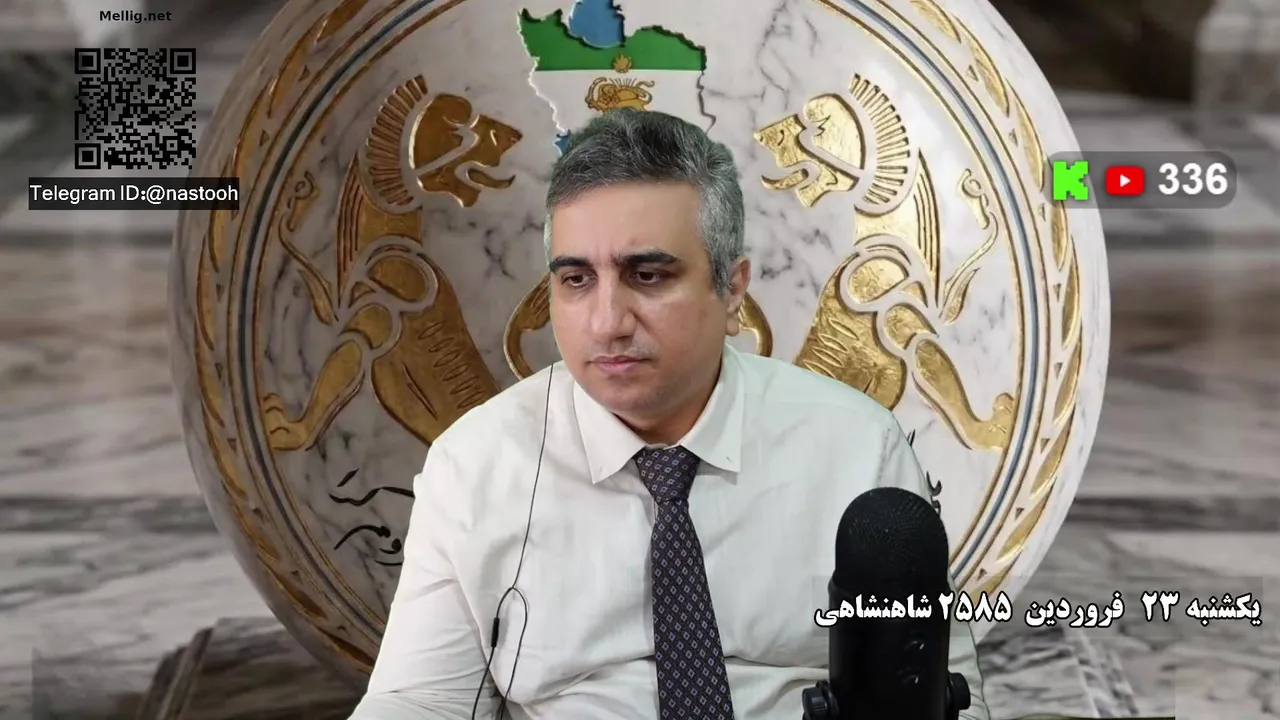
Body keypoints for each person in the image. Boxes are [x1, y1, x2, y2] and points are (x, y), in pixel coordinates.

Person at [348, 108, 989, 720]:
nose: (607, 323)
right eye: (576, 280)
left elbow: (939, 700)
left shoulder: (859, 449)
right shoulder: (474, 466)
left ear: (731, 290)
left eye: (648, 276)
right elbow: (421, 702)